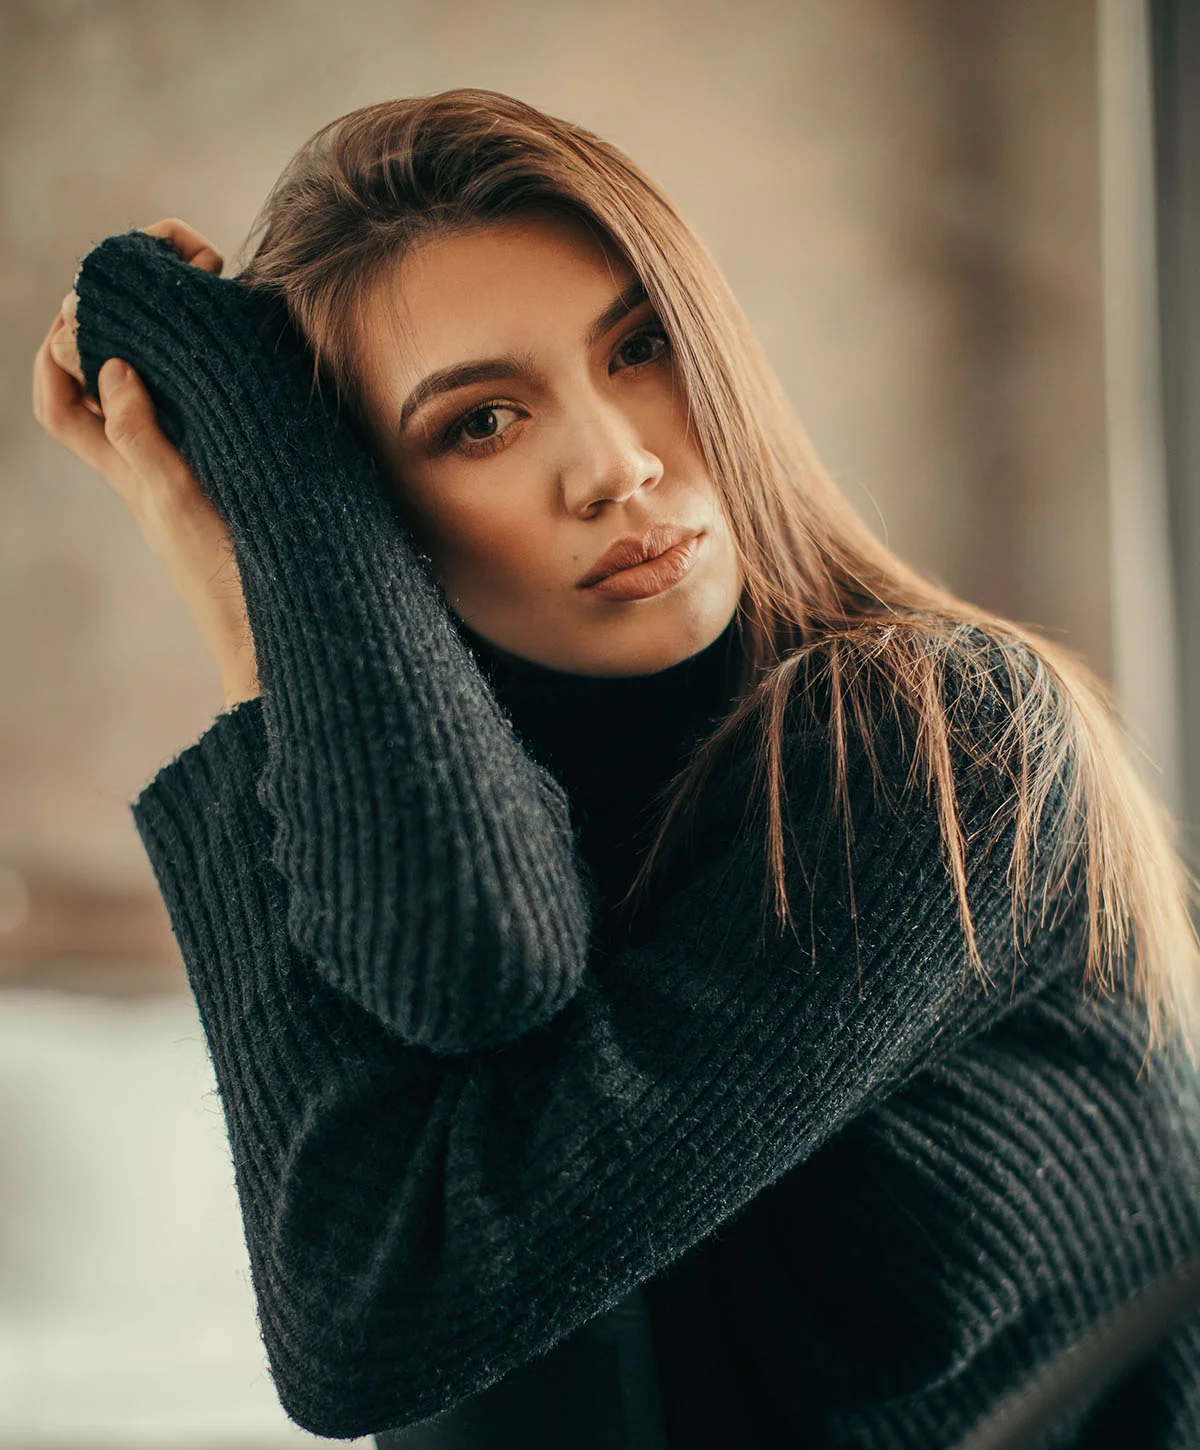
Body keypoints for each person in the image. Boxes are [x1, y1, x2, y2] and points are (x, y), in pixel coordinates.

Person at [30, 87, 1200, 1448]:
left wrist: (262, 594)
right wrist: (262, 582)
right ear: (367, 517)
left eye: (640, 347)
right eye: (480, 422)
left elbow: (380, 1325)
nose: (616, 464)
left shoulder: (947, 739)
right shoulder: (494, 830)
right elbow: (480, 964)